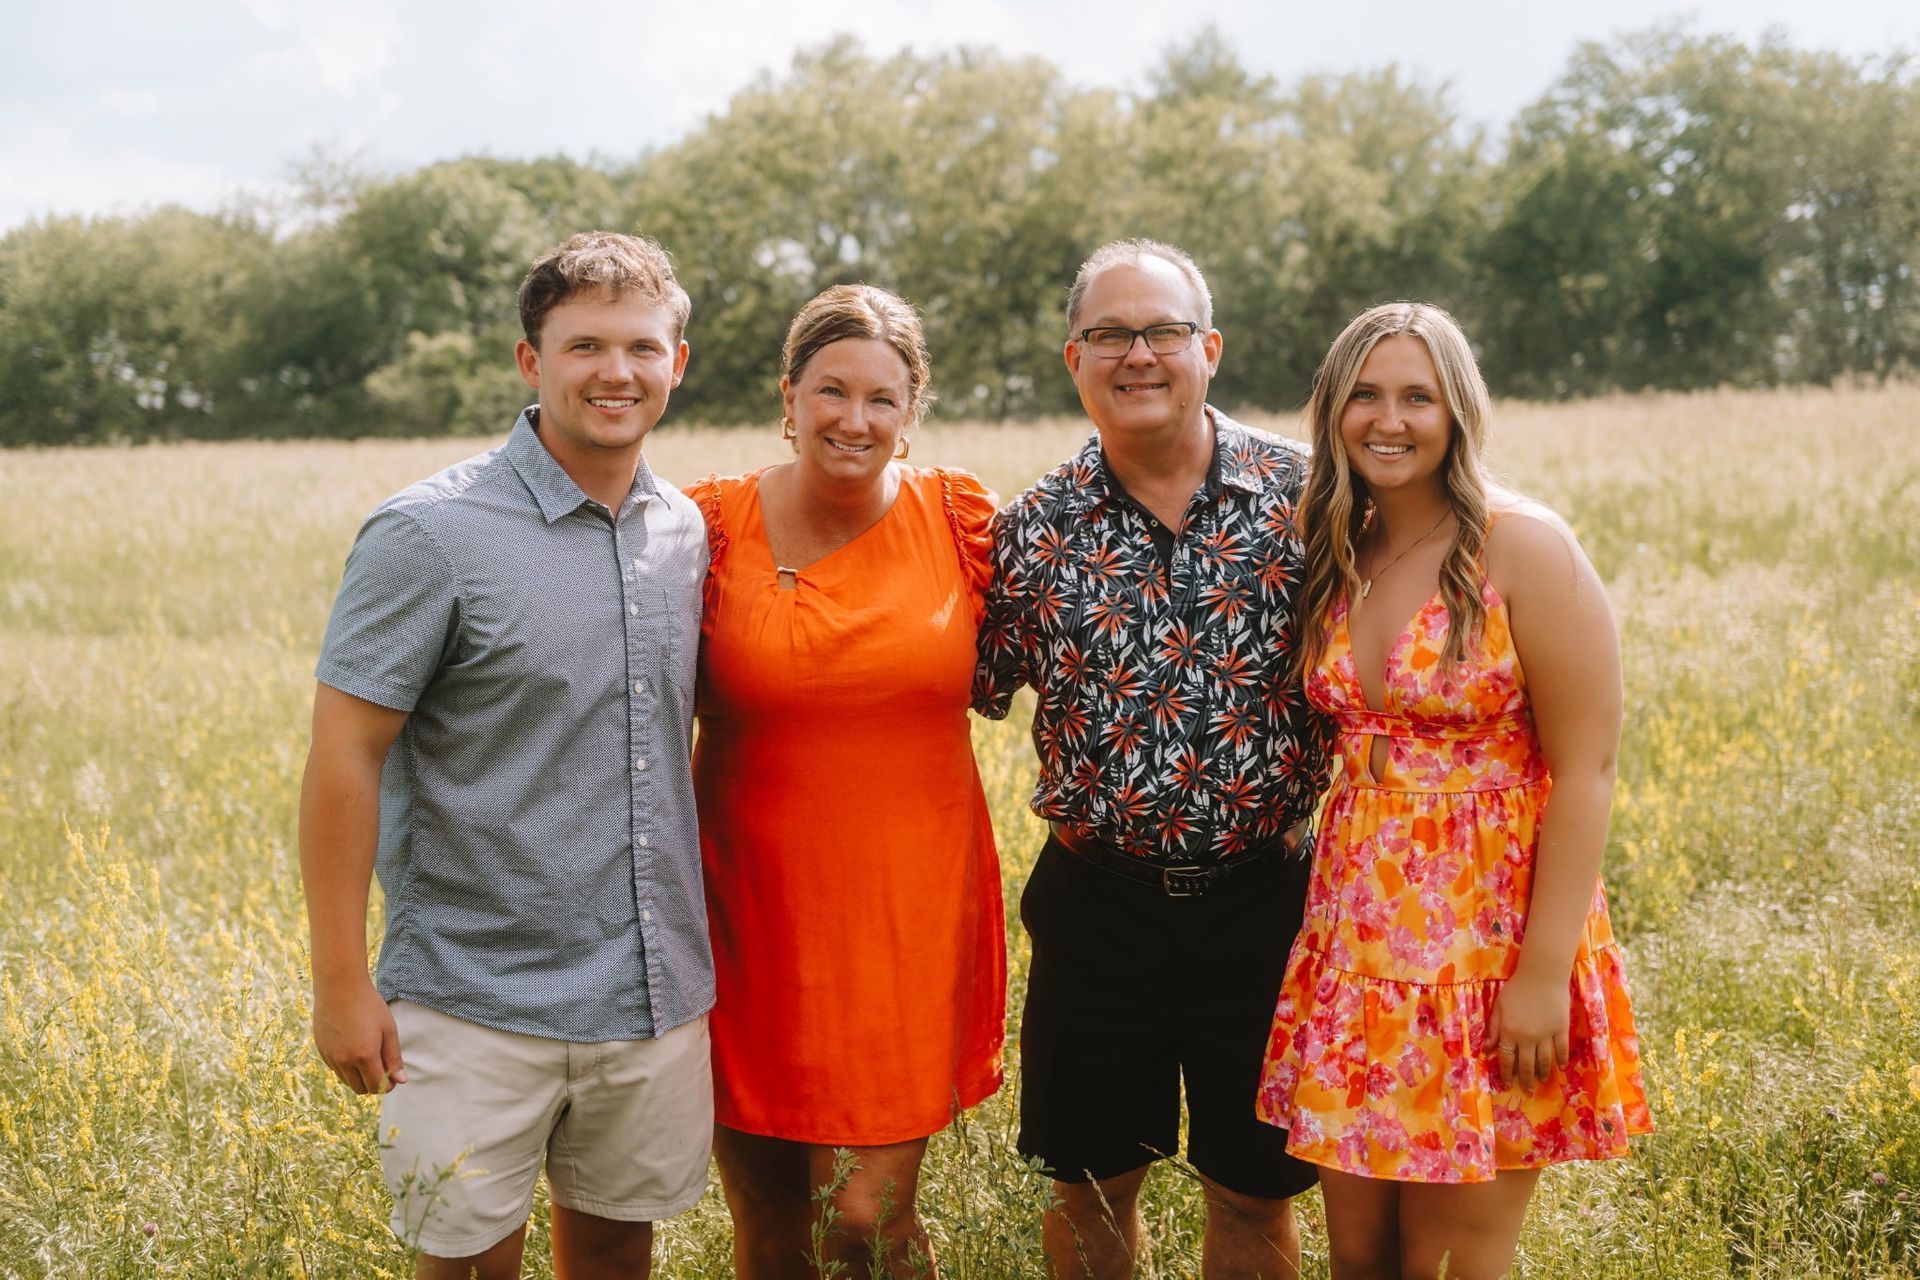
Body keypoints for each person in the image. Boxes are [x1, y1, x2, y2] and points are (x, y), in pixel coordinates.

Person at [299, 231, 712, 1280]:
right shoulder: (430, 535)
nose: (615, 372)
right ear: (532, 362)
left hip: (649, 990)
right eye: (584, 346)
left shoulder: (687, 532)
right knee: (468, 1265)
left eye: (641, 346)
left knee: (618, 1253)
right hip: (474, 994)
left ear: (678, 360)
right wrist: (341, 981)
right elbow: (345, 752)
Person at [1254, 302, 1654, 1279]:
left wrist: (1541, 973)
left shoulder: (1527, 547)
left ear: (1457, 410)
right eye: (1366, 395)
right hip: (1358, 947)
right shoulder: (1336, 543)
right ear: (1334, 409)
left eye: (1416, 396)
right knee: (1359, 1255)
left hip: (1489, 948)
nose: (1388, 419)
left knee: (1455, 1262)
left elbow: (1588, 770)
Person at [973, 239, 1326, 1280]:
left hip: (1265, 903)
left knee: (1256, 1191)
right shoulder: (1029, 530)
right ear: (1073, 358)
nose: (1139, 353)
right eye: (1110, 334)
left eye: (1163, 330)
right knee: (1088, 1185)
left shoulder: (1306, 500)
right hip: (1098, 904)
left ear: (1207, 348)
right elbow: (951, 686)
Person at [685, 284, 1004, 1279]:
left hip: (902, 918)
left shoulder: (960, 519)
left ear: (913, 409)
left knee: (863, 1219)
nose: (854, 418)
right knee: (774, 1228)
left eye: (882, 397)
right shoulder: (708, 525)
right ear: (789, 395)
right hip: (744, 913)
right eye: (831, 389)